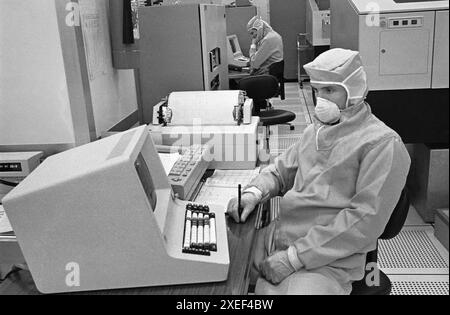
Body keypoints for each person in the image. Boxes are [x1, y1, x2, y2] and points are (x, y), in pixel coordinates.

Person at [227, 48, 411, 295]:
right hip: (280, 236)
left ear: (354, 89)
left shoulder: (383, 145)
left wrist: (293, 258)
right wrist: (253, 192)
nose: (320, 99)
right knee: (217, 268)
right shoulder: (316, 132)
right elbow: (280, 172)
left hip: (326, 259)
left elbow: (364, 221)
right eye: (316, 90)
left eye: (330, 90)